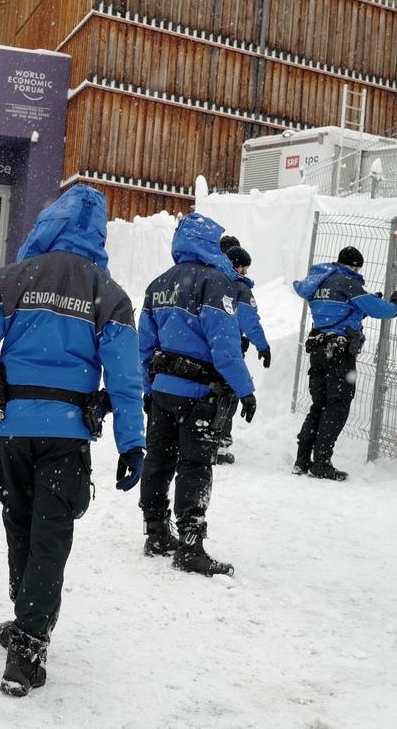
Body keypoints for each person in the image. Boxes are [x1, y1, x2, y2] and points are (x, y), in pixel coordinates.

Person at [0, 185, 145, 697]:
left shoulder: (13, 280)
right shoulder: (109, 293)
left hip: (12, 428)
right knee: (51, 536)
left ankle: (24, 618)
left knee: (20, 523)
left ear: (48, 224)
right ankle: (28, 644)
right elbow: (124, 377)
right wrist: (131, 442)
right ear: (99, 235)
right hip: (67, 434)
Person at [137, 213, 256, 577]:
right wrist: (245, 390)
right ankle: (190, 545)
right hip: (199, 394)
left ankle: (156, 532)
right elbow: (224, 348)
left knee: (158, 459)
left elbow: (144, 346)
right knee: (194, 465)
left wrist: (148, 388)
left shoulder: (158, 284)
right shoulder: (215, 284)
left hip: (162, 391)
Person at [291, 246, 397, 481]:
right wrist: (395, 305)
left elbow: (338, 310)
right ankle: (321, 462)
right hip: (339, 355)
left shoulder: (320, 281)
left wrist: (360, 306)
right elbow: (380, 311)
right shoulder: (347, 282)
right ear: (353, 265)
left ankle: (302, 459)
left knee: (319, 405)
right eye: (357, 267)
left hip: (319, 349)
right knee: (337, 406)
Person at [212, 237, 271, 465]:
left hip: (205, 346)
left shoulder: (210, 279)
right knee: (229, 394)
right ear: (238, 265)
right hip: (228, 349)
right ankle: (220, 444)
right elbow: (249, 321)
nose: (246, 270)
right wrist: (263, 346)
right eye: (244, 266)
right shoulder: (238, 285)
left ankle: (200, 438)